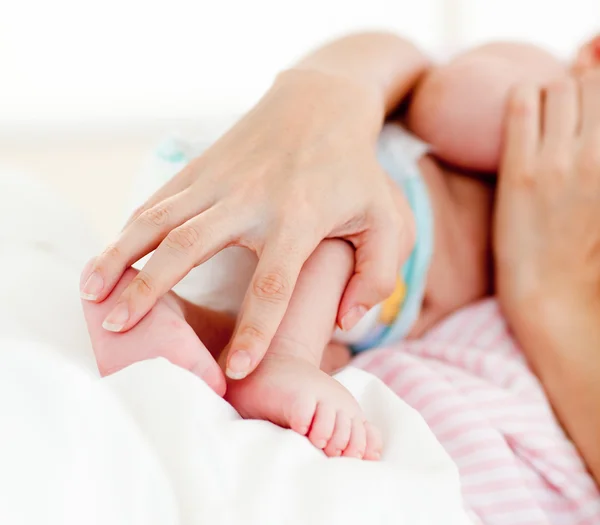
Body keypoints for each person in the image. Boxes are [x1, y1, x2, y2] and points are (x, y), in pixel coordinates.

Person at [82, 33, 600, 460]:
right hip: (290, 195)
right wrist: (548, 107)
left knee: (316, 341)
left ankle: (168, 320)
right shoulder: (542, 85)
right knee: (357, 231)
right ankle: (284, 361)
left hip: (331, 306)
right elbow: (443, 107)